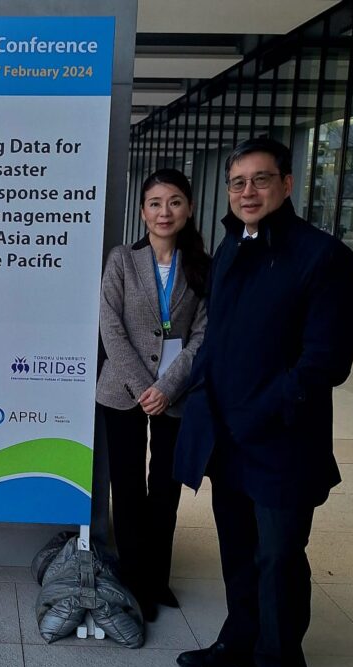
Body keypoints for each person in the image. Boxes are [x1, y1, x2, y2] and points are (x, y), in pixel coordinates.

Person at [173, 137, 353, 667]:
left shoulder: (323, 257)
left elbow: (325, 362)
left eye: (260, 180)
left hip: (282, 441)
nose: (247, 193)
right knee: (236, 549)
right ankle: (238, 640)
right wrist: (201, 393)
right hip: (227, 438)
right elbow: (218, 337)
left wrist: (259, 411)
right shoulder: (232, 248)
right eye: (237, 183)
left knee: (279, 560)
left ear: (287, 183)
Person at [97, 168, 210, 623]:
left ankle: (157, 578)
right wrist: (145, 385)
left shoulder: (203, 266)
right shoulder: (123, 259)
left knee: (165, 487)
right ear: (142, 211)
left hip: (176, 393)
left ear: (188, 208)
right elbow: (110, 325)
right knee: (125, 487)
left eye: (175, 202)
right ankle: (132, 579)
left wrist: (166, 387)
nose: (166, 212)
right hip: (123, 389)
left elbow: (204, 334)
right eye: (156, 203)